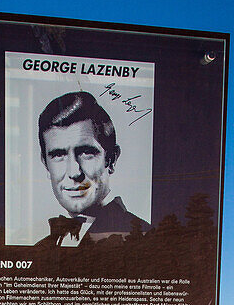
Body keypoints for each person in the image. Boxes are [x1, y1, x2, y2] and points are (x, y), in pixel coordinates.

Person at [37, 91, 150, 245]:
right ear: (46, 164)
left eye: (86, 152)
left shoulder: (146, 238)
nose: (74, 172)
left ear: (111, 160)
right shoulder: (42, 246)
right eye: (58, 155)